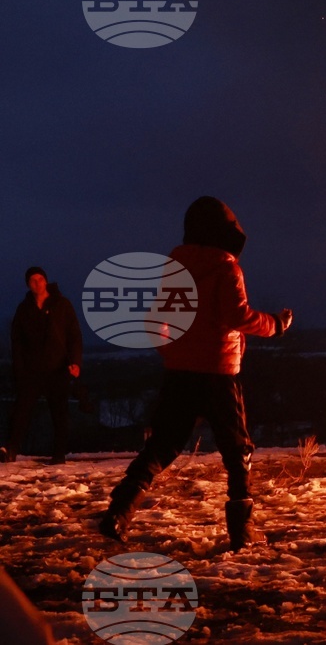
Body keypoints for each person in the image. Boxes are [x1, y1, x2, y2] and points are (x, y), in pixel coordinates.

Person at [99, 196, 293, 551]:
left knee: (163, 445)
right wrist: (277, 325)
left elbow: (156, 322)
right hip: (219, 373)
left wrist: (172, 352)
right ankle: (242, 532)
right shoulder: (226, 267)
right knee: (238, 452)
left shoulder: (174, 269)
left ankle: (118, 513)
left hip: (180, 373)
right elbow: (237, 316)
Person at [1, 267, 82, 465]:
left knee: (59, 412)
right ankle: (10, 449)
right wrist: (18, 368)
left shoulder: (61, 304)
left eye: (40, 279)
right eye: (32, 280)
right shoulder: (24, 308)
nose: (37, 283)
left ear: (46, 281)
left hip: (57, 368)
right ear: (28, 284)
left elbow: (74, 335)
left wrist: (75, 361)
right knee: (21, 410)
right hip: (31, 370)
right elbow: (17, 341)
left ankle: (59, 454)